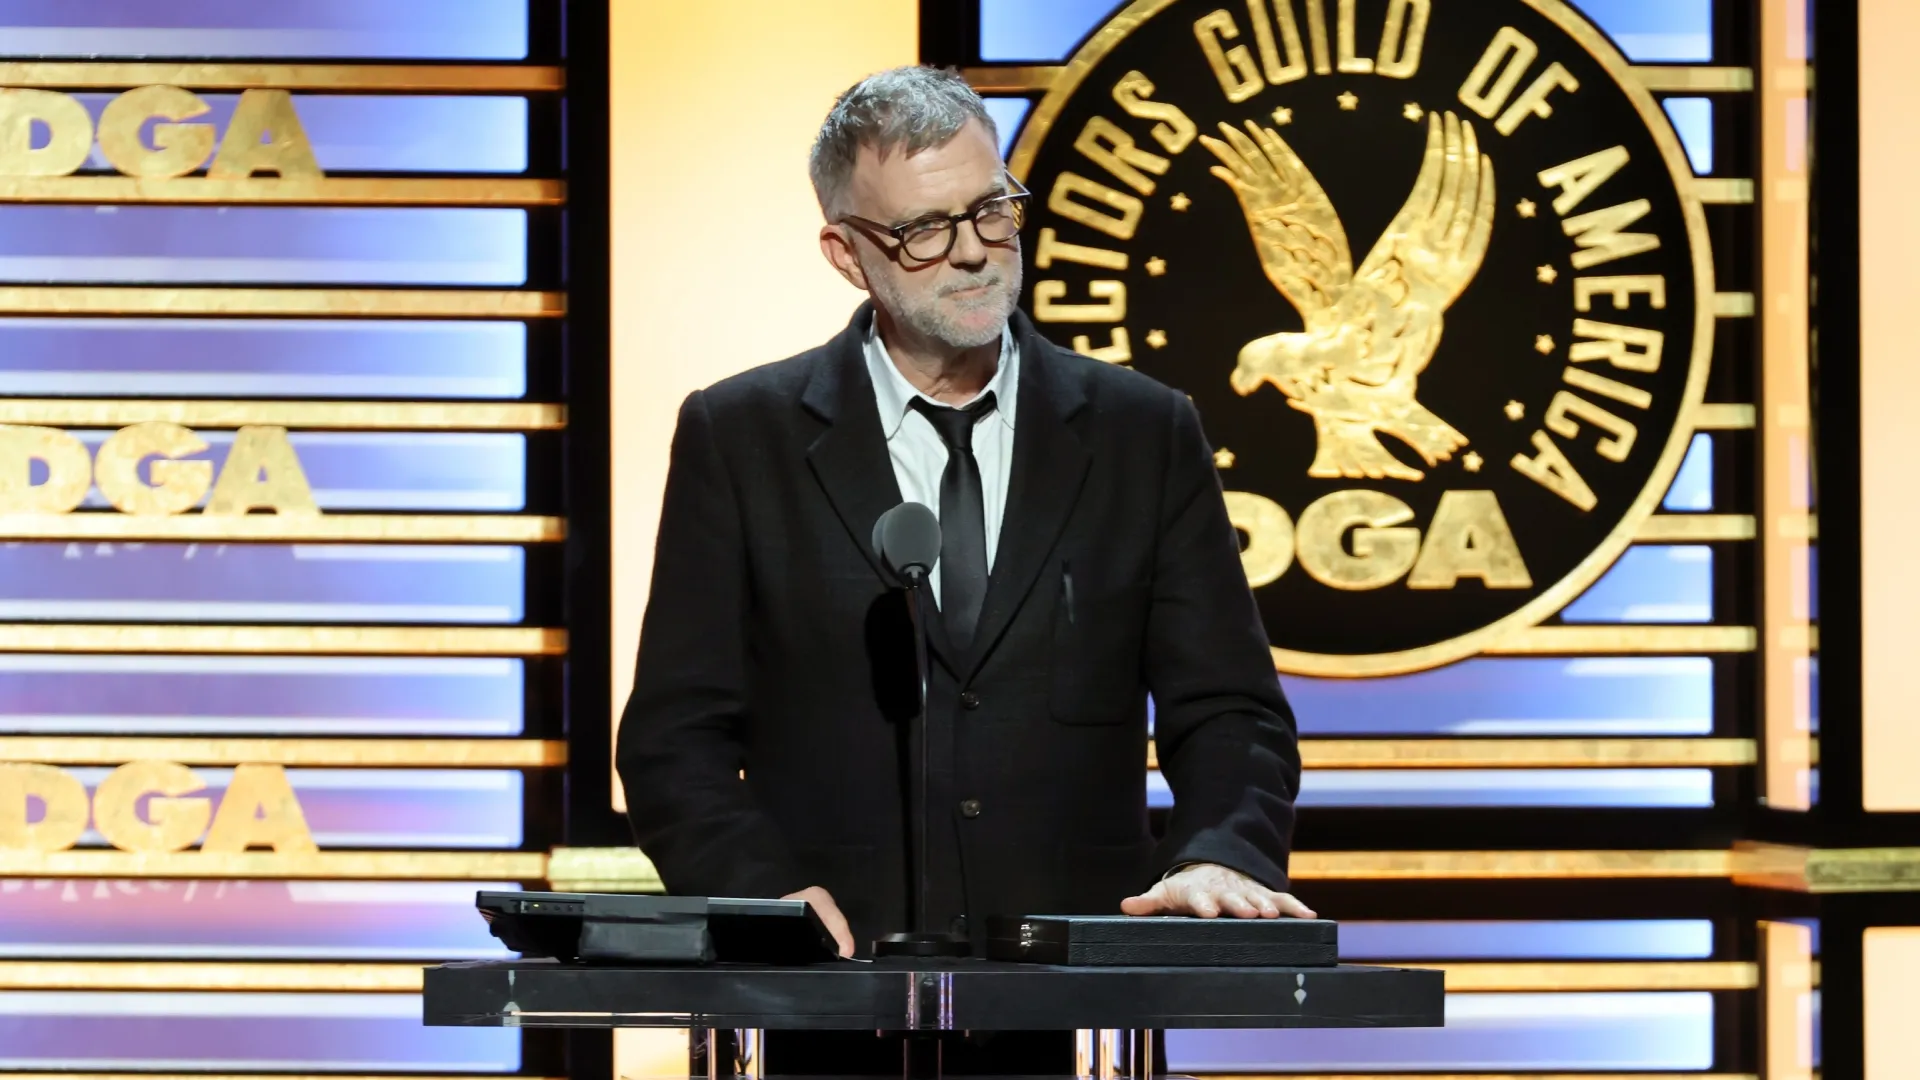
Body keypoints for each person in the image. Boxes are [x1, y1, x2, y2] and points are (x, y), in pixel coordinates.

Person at [617, 65, 1309, 1074]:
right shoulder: (741, 436)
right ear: (848, 254)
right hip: (829, 1001)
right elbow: (674, 735)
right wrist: (760, 894)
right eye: (924, 231)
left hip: (1075, 1005)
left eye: (992, 209)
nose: (976, 252)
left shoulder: (1140, 431)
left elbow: (1232, 711)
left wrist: (1219, 852)